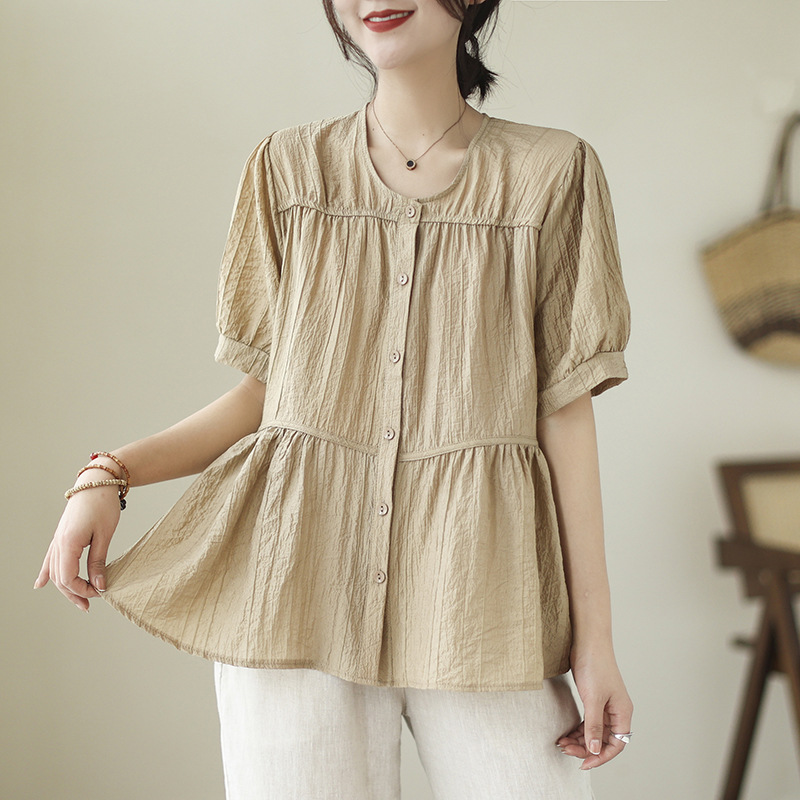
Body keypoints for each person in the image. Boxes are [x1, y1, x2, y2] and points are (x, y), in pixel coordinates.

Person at [33, 0, 634, 797]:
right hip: (295, 588)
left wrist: (596, 641)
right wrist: (110, 474)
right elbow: (267, 396)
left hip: (483, 596)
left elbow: (564, 410)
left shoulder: (553, 174)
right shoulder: (287, 171)